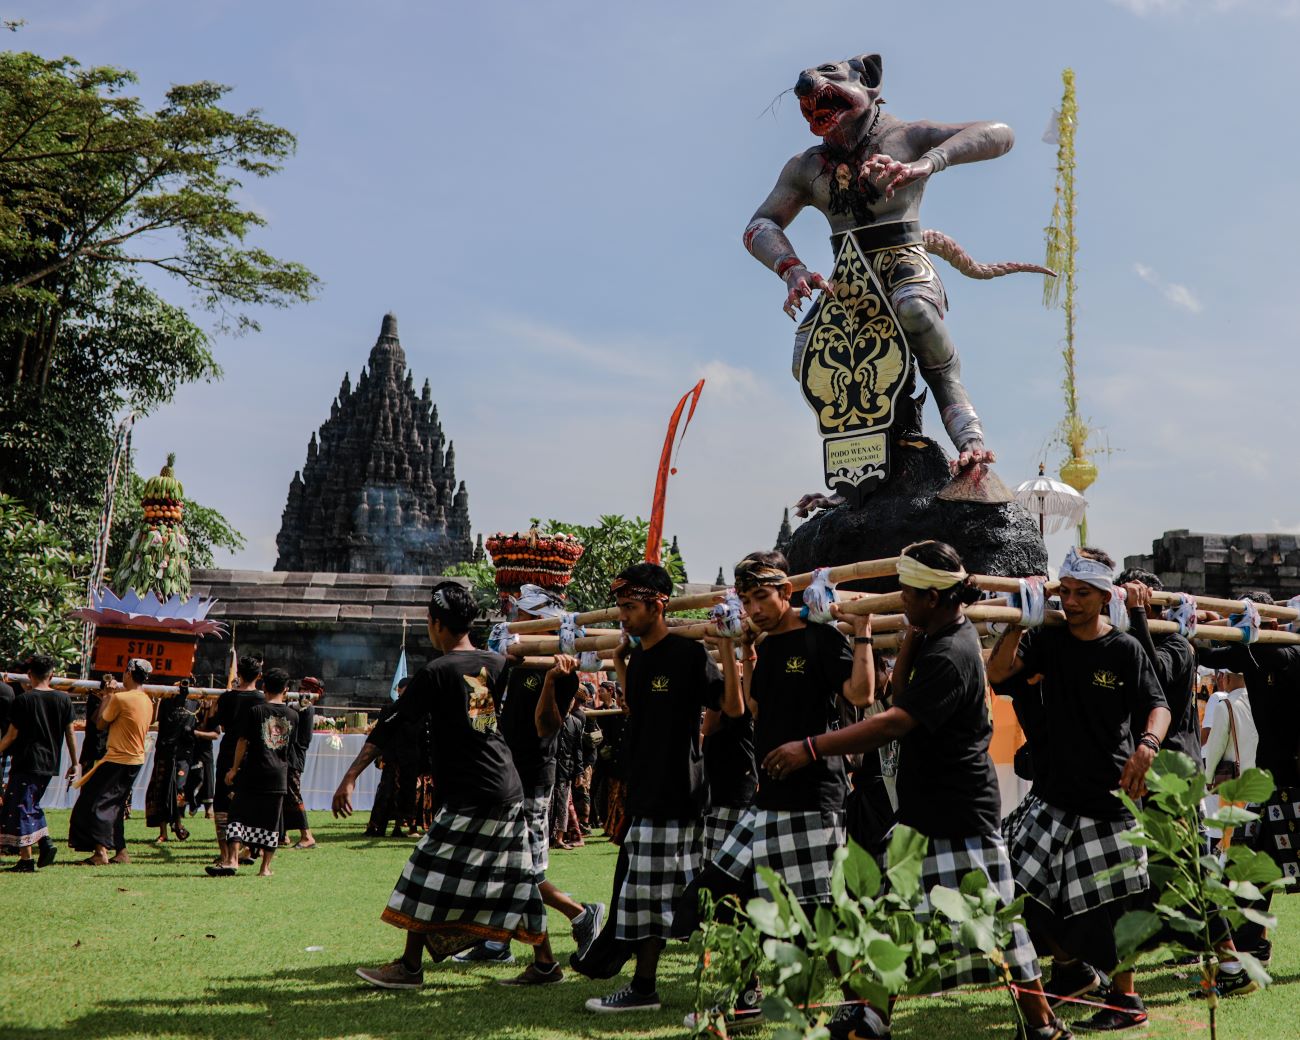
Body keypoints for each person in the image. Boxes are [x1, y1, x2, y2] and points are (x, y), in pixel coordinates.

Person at [763, 541, 1066, 1040]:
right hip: (922, 808)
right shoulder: (936, 633)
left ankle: (1045, 1027)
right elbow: (897, 691)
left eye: (908, 591)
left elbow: (892, 722)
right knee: (887, 914)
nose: (900, 597)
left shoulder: (954, 651)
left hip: (961, 811)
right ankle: (875, 1019)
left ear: (934, 595)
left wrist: (811, 747)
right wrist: (909, 635)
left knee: (999, 927)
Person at [681, 550, 870, 1034]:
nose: (755, 608)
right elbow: (748, 711)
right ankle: (745, 997)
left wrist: (864, 631)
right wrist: (732, 647)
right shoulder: (763, 650)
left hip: (813, 797)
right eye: (746, 599)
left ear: (787, 592)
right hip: (768, 799)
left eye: (762, 596)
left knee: (818, 911)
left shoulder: (821, 639)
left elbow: (861, 696)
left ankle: (864, 1008)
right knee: (721, 891)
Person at [988, 547, 1170, 1033]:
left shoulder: (1124, 649)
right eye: (1064, 591)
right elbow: (996, 673)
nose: (1070, 601)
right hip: (1053, 795)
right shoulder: (1047, 640)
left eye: (1081, 593)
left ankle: (1126, 1000)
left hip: (1110, 796)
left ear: (1105, 596)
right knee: (1015, 887)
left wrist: (1147, 746)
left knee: (1119, 903)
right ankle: (1070, 971)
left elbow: (1159, 706)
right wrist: (1018, 621)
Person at [334, 582, 546, 989]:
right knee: (518, 878)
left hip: (474, 791)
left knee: (425, 867)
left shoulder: (437, 671)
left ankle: (410, 966)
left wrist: (350, 776)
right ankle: (546, 962)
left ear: (434, 624)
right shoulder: (495, 664)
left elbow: (392, 724)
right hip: (505, 785)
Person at [584, 562, 741, 1015]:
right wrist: (617, 660)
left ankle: (649, 988)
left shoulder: (688, 655)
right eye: (620, 607)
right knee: (652, 895)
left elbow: (730, 706)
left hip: (676, 794)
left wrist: (728, 650)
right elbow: (639, 706)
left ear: (658, 605)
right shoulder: (642, 657)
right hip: (645, 791)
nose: (622, 616)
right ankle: (649, 986)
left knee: (660, 897)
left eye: (630, 607)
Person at [456, 583, 603, 983]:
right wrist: (480, 675)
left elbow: (545, 728)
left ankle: (580, 914)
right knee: (502, 860)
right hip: (503, 773)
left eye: (521, 615)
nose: (513, 620)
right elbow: (483, 715)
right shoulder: (513, 661)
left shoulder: (562, 667)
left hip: (534, 777)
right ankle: (497, 941)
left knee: (527, 868)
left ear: (541, 622)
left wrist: (554, 681)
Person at [1197, 594, 1300, 967]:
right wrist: (1193, 622)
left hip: (1294, 781)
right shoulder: (1251, 654)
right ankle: (1249, 945)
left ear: (1271, 622)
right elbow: (1205, 655)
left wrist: (1239, 628)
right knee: (1252, 869)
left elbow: (1274, 656)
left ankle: (1249, 944)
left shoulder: (1290, 654)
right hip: (1272, 782)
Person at [208, 667, 297, 877]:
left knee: (237, 814)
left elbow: (242, 741)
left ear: (264, 686)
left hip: (254, 771)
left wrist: (234, 769)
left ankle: (232, 860)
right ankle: (265, 868)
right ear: (286, 689)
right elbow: (290, 747)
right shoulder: (294, 715)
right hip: (278, 775)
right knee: (271, 821)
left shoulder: (256, 712)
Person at [69, 658, 155, 866]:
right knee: (114, 805)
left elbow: (99, 723)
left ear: (128, 674)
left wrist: (107, 696)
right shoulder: (147, 700)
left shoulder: (121, 698)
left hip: (118, 759)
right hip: (135, 760)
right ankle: (122, 851)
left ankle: (100, 852)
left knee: (95, 803)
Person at [0, 654, 75, 871]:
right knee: (27, 805)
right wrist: (75, 762)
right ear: (51, 675)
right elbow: (70, 733)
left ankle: (43, 845)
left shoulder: (23, 700)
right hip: (49, 762)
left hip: (26, 761)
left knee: (22, 807)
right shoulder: (63, 699)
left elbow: (12, 735)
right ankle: (28, 857)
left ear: (29, 675)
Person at [212, 655, 265, 864]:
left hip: (228, 751)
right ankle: (249, 848)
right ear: (259, 676)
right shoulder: (262, 700)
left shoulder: (226, 698)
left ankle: (226, 854)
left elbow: (221, 724)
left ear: (238, 675)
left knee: (223, 802)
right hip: (252, 754)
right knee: (249, 801)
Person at [145, 686, 194, 843]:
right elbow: (153, 721)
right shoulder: (165, 703)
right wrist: (157, 701)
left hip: (183, 755)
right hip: (164, 753)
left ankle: (178, 824)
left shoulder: (194, 705)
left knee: (179, 789)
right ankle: (163, 832)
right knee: (161, 790)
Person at [284, 676, 321, 849]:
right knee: (284, 795)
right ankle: (282, 834)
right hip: (289, 755)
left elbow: (294, 707)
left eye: (306, 689)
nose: (301, 691)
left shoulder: (305, 706)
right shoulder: (299, 705)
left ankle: (307, 835)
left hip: (294, 755)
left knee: (293, 794)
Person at [185, 697, 219, 818]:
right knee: (188, 780)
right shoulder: (191, 707)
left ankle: (208, 809)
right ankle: (184, 807)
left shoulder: (213, 711)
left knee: (208, 780)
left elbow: (215, 734)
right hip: (190, 751)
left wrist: (197, 733)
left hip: (205, 752)